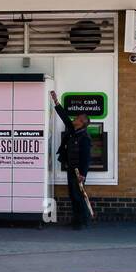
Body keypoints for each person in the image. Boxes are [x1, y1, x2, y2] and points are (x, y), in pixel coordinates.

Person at [51, 91, 93, 229]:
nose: (74, 119)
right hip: (71, 168)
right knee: (72, 195)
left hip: (78, 172)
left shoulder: (85, 138)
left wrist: (83, 174)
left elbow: (86, 158)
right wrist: (56, 102)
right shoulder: (73, 130)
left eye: (77, 118)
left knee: (78, 196)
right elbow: (64, 117)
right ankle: (76, 219)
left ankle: (82, 221)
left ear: (82, 123)